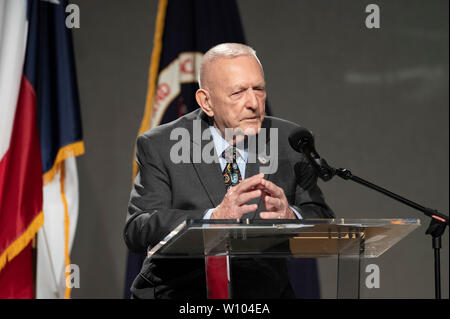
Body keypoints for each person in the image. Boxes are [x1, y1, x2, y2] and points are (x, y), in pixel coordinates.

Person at [124, 43, 334, 299]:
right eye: (238, 93)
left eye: (258, 89)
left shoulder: (291, 141)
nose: (253, 103)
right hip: (181, 293)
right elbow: (138, 228)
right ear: (206, 102)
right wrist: (211, 220)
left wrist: (293, 216)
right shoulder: (161, 144)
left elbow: (322, 218)